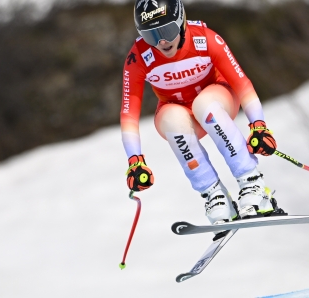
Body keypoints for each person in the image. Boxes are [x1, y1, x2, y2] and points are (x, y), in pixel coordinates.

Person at [121, 0, 285, 227]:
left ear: (180, 21)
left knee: (204, 105)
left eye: (167, 30)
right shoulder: (138, 57)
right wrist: (135, 161)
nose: (162, 41)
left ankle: (252, 183)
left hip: (217, 99)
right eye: (151, 35)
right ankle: (214, 195)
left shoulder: (205, 38)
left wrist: (259, 125)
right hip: (180, 113)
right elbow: (129, 114)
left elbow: (243, 85)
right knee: (171, 120)